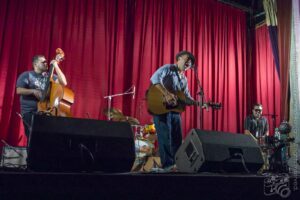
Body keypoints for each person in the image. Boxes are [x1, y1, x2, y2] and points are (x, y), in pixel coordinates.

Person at [149, 50, 197, 171]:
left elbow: (186, 97)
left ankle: (178, 165)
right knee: (165, 137)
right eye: (187, 60)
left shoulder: (184, 79)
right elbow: (154, 78)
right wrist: (166, 94)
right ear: (179, 58)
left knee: (177, 138)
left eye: (191, 63)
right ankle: (168, 166)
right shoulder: (168, 68)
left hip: (175, 111)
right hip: (160, 107)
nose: (189, 63)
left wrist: (200, 103)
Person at [16, 55, 67, 139]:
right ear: (35, 64)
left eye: (46, 61)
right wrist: (33, 91)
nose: (46, 63)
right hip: (30, 112)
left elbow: (64, 82)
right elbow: (19, 90)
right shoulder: (27, 75)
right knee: (33, 137)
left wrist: (56, 65)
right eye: (43, 62)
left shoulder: (49, 76)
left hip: (46, 112)